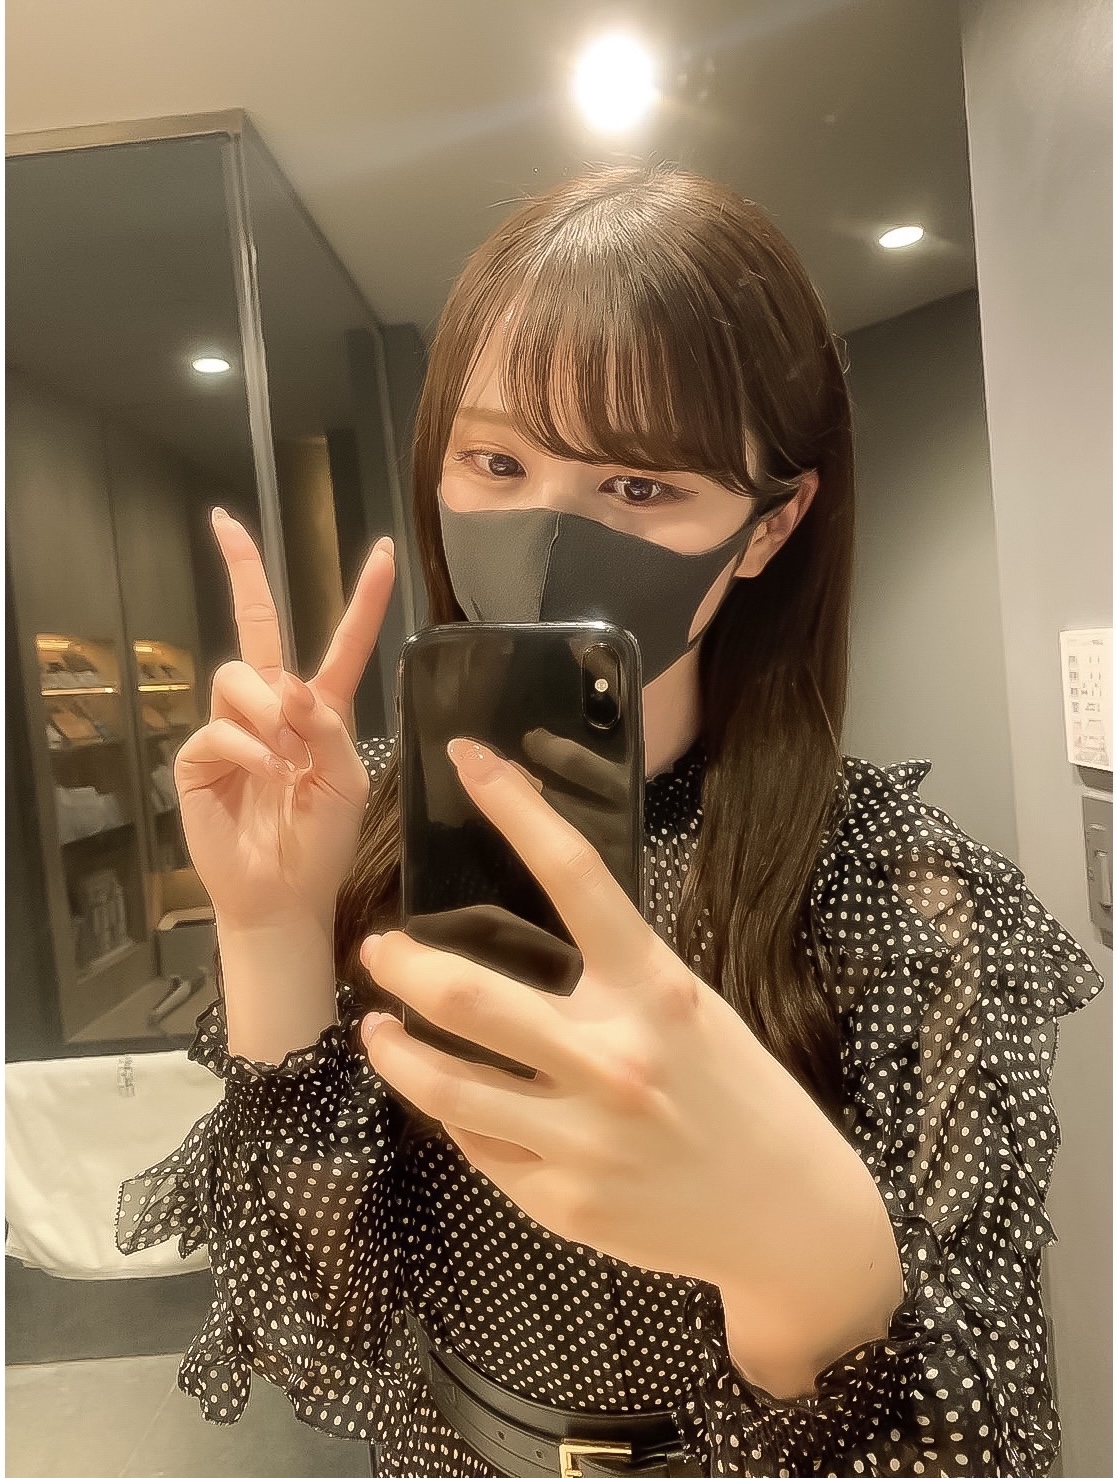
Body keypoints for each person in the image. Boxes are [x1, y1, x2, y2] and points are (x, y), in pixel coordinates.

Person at [116, 163, 1104, 1478]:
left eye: (640, 485)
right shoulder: (363, 823)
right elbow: (320, 1320)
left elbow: (981, 1436)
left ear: (771, 525)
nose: (544, 538)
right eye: (497, 461)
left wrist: (809, 1253)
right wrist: (272, 930)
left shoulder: (904, 895)